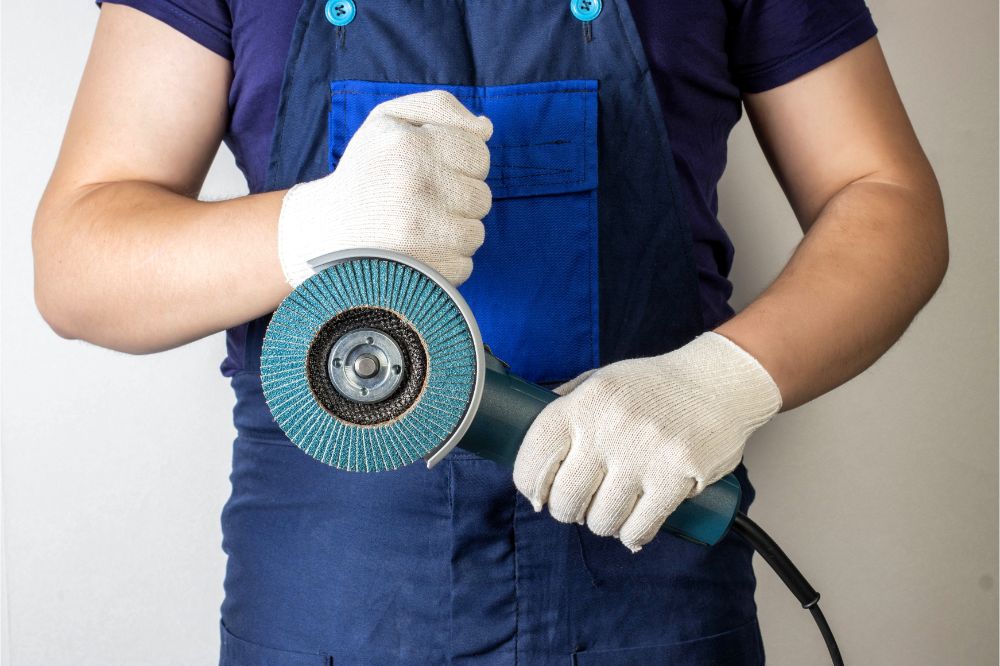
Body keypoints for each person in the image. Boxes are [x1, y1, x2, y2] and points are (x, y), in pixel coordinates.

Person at [32, 0, 947, 663]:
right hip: (330, 590)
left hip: (647, 560)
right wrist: (308, 225)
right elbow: (78, 265)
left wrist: (725, 381)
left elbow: (886, 199)